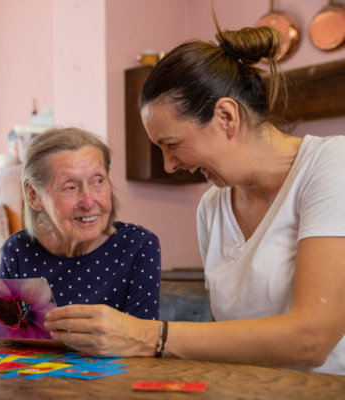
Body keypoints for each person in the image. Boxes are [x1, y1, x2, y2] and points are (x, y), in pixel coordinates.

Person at [43, 21, 345, 375]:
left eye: (172, 145)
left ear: (226, 117)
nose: (170, 166)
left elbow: (312, 339)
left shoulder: (331, 166)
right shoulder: (213, 207)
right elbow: (230, 342)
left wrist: (147, 336)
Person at [0, 127, 162, 320]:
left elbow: (143, 341)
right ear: (34, 196)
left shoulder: (137, 247)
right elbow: (7, 342)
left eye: (98, 181)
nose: (89, 202)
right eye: (70, 187)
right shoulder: (17, 251)